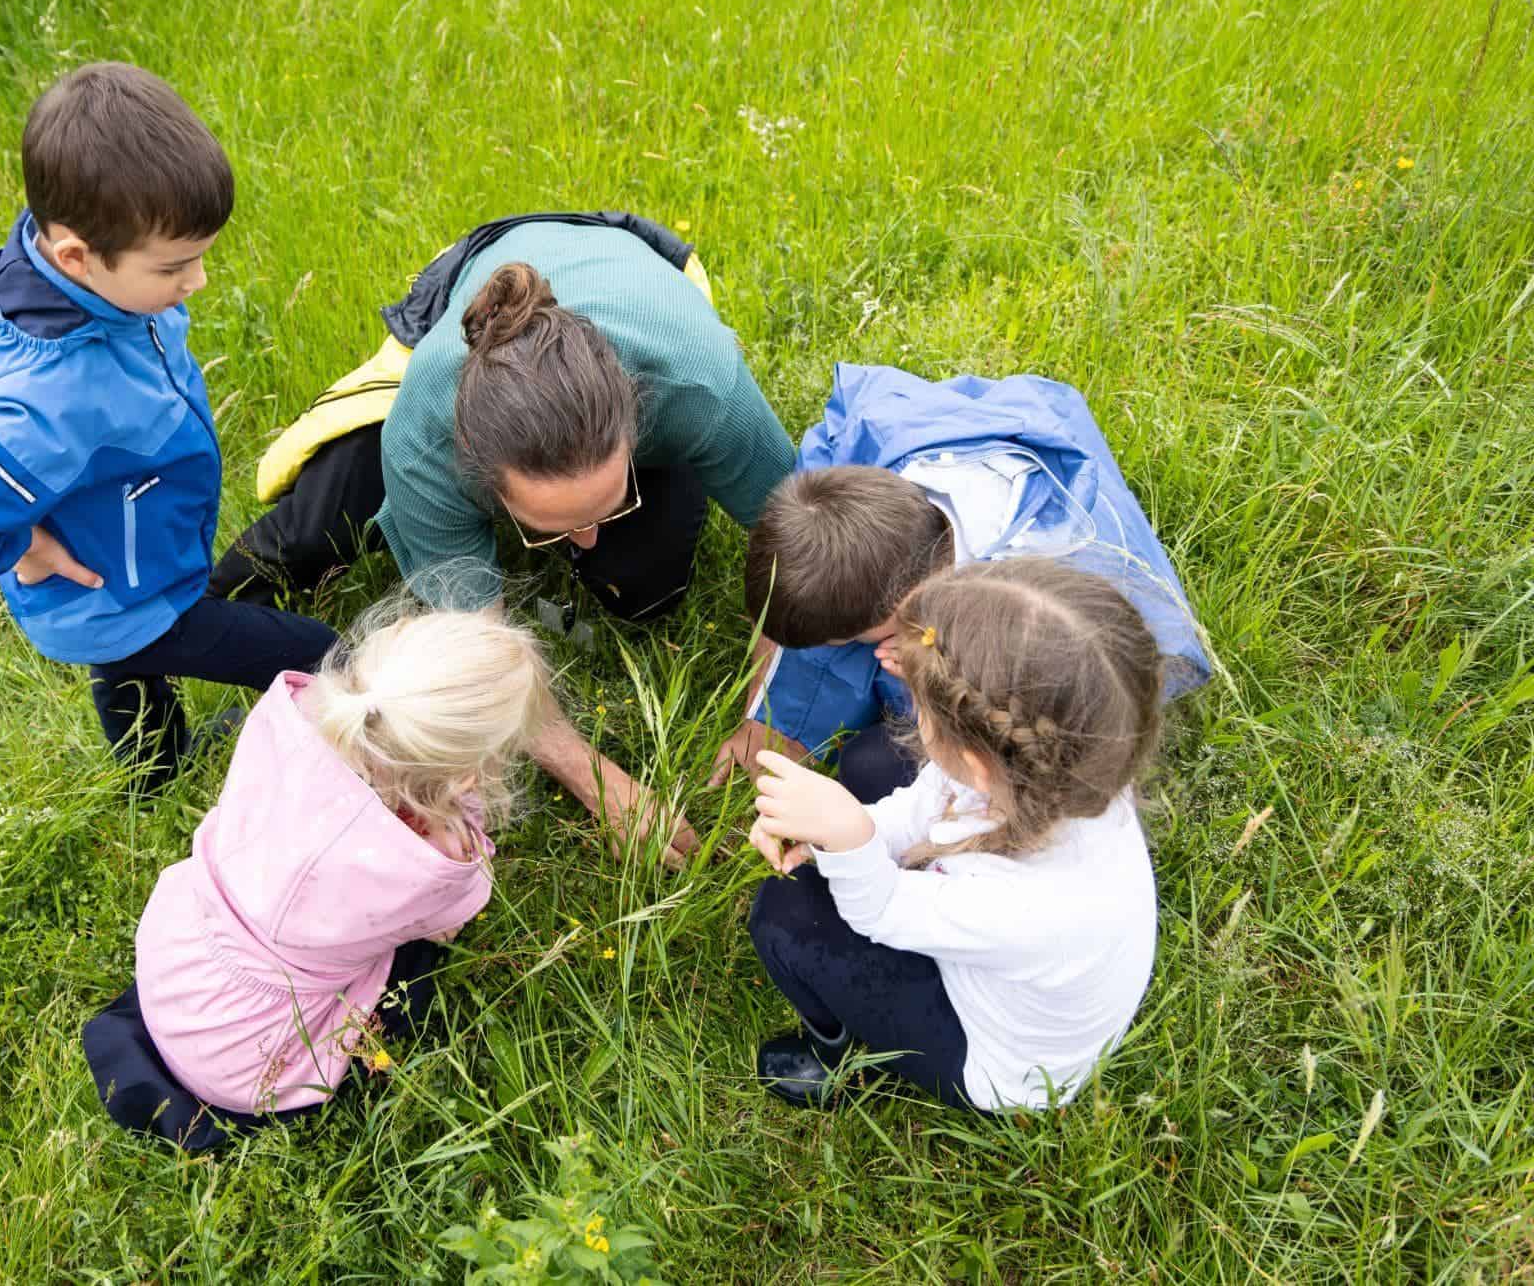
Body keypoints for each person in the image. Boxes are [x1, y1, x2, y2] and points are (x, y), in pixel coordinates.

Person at [212, 214, 798, 858]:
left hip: (628, 268)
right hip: (477, 295)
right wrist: (594, 779)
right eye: (550, 530)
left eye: (610, 501)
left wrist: (768, 710)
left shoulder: (699, 384)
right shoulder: (424, 440)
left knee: (641, 588)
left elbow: (797, 549)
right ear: (482, 481)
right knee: (316, 534)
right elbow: (481, 653)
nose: (589, 539)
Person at [0, 63, 335, 790]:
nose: (197, 283)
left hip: (113, 578)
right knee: (321, 652)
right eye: (176, 267)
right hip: (130, 595)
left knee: (124, 669)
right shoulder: (49, 399)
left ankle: (155, 776)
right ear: (76, 256)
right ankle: (339, 743)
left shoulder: (80, 283)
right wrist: (17, 543)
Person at [81, 607, 551, 1151]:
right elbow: (454, 916)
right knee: (418, 959)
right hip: (251, 1066)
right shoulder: (436, 864)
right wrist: (462, 826)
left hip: (175, 969)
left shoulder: (287, 717)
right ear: (473, 772)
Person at [745, 557, 1164, 1112]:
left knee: (787, 912)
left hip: (994, 1056)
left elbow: (882, 909)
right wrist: (840, 840)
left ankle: (836, 1055)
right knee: (875, 758)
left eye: (921, 707)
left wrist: (848, 838)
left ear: (977, 761)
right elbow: (925, 803)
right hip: (1005, 953)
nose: (911, 711)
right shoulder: (1063, 765)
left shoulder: (1033, 905)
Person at [710, 363, 1209, 806]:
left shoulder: (1066, 601)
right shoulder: (859, 457)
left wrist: (934, 673)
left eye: (847, 641)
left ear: (909, 611)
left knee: (878, 763)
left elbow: (1051, 731)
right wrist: (775, 722)